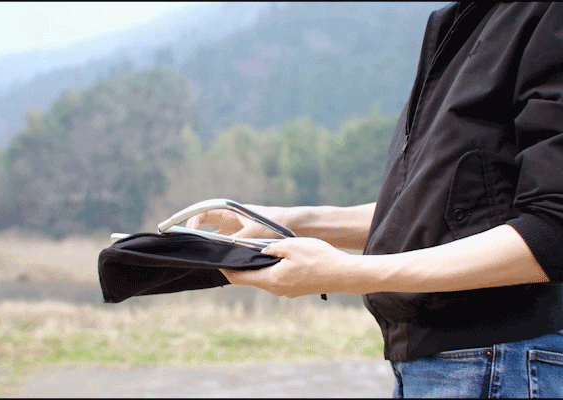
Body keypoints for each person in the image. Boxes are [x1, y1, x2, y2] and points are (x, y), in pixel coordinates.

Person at [187, 2, 563, 397]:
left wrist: (348, 273)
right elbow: (433, 212)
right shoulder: (458, 23)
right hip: (442, 365)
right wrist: (288, 221)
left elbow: (553, 230)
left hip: (499, 362)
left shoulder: (544, 13)